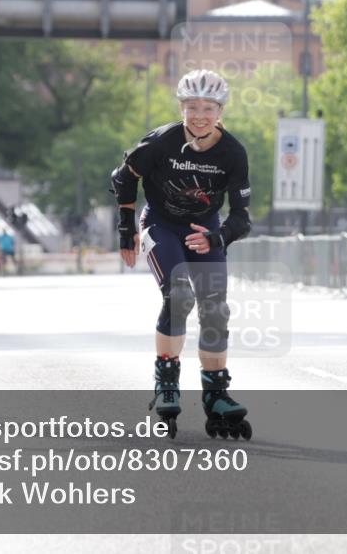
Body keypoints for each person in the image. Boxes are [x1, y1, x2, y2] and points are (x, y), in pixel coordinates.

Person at [110, 69, 253, 440]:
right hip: (160, 223)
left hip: (204, 228)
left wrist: (217, 238)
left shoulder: (233, 153)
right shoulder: (162, 141)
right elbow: (123, 178)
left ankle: (216, 394)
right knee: (179, 296)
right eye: (192, 107)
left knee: (215, 307)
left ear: (220, 111)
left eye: (208, 107)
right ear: (181, 107)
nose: (200, 115)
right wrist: (127, 231)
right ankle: (168, 380)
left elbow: (241, 217)